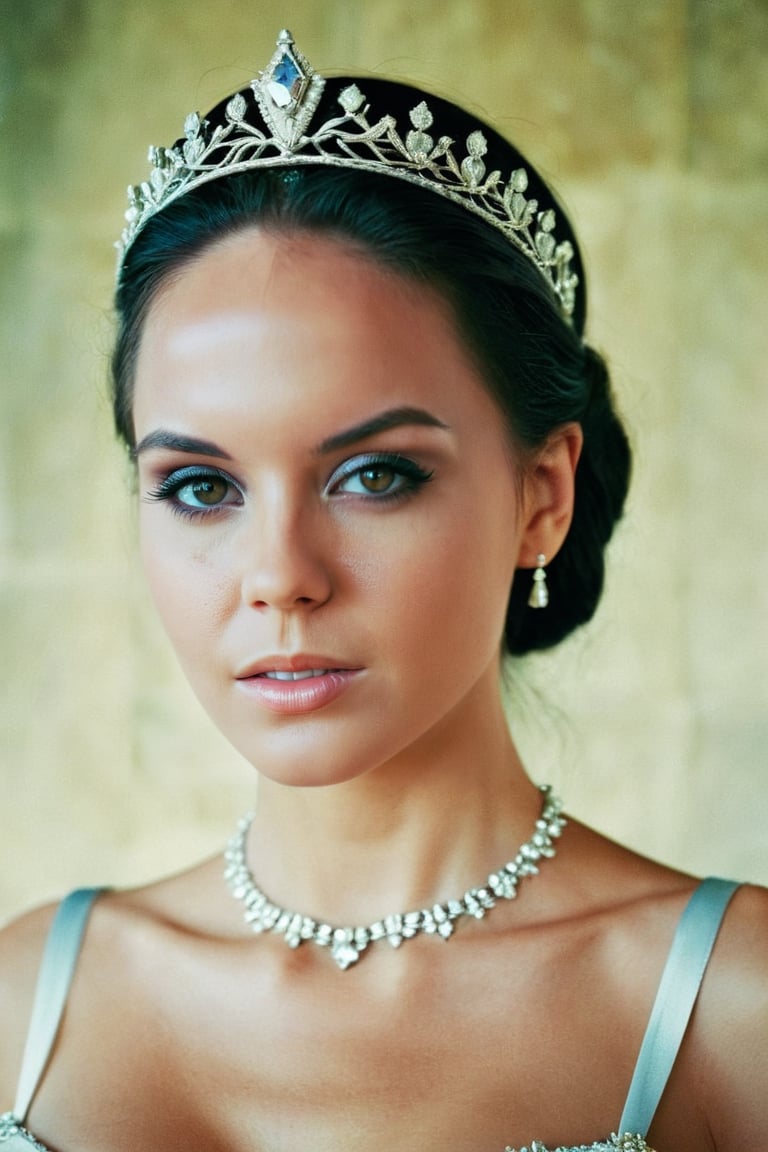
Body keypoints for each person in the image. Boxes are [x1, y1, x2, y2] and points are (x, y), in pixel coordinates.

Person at [0, 29, 765, 1152]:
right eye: (202, 486)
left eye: (374, 475)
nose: (280, 579)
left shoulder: (730, 1009)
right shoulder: (22, 1006)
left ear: (542, 496)